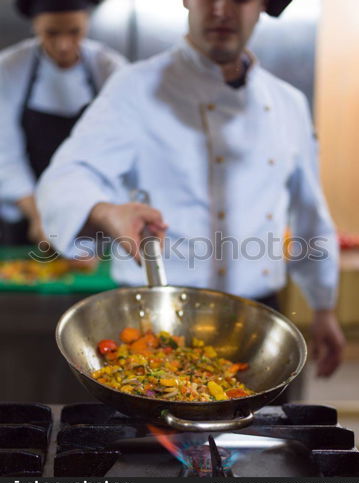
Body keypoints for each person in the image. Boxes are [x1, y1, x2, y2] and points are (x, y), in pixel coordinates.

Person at [37, 0, 346, 380]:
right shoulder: (134, 88)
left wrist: (324, 306)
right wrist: (106, 212)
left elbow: (310, 211)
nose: (220, 9)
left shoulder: (288, 104)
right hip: (154, 317)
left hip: (257, 323)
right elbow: (66, 175)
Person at [0, 0, 126, 244]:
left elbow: (118, 152)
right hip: (27, 212)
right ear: (35, 26)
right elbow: (4, 154)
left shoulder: (110, 69)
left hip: (94, 213)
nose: (64, 45)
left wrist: (91, 215)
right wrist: (39, 217)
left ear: (87, 23)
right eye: (51, 33)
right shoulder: (8, 68)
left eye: (74, 32)